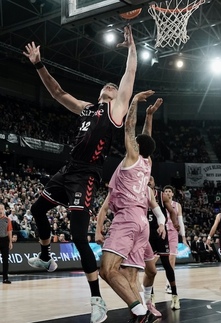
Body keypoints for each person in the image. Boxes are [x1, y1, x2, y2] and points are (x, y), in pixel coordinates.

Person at [22, 25, 137, 323]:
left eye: (114, 88)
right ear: (100, 92)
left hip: (86, 176)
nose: (111, 87)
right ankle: (46, 258)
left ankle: (97, 300)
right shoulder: (87, 109)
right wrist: (38, 65)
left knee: (78, 238)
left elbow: (129, 77)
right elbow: (58, 92)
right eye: (107, 86)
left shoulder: (115, 111)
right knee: (37, 209)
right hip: (68, 169)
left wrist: (132, 48)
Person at [97, 90, 159, 323]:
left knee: (107, 270)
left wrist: (134, 103)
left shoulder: (132, 156)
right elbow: (146, 138)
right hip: (142, 222)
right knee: (131, 275)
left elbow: (129, 128)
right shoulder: (147, 162)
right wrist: (150, 116)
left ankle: (139, 310)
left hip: (127, 218)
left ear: (136, 146)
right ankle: (141, 313)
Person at [146, 176, 180, 311]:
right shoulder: (139, 195)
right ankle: (150, 296)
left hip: (160, 232)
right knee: (149, 265)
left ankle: (175, 295)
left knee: (166, 263)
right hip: (146, 233)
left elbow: (172, 212)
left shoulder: (161, 196)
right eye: (146, 178)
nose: (149, 181)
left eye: (151, 179)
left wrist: (175, 223)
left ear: (154, 183)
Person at [162, 185, 187, 293]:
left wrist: (183, 237)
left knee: (172, 259)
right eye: (166, 191)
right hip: (162, 233)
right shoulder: (160, 204)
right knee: (153, 260)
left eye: (169, 191)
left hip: (173, 233)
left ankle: (168, 284)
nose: (167, 193)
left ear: (172, 194)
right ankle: (148, 284)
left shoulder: (177, 205)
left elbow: (180, 221)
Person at [0, 203, 13, 284]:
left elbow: (9, 231)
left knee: (5, 260)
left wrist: (10, 241)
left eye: (1, 208)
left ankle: (5, 278)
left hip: (5, 240)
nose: (0, 210)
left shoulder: (7, 219)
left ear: (4, 210)